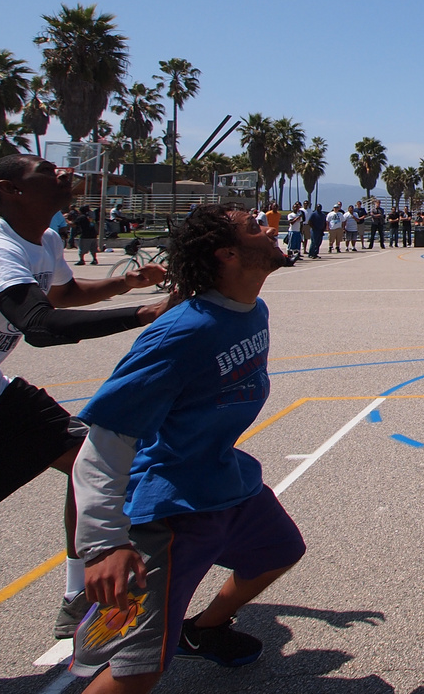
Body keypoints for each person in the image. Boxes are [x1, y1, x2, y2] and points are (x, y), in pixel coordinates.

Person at [69, 204, 305, 688]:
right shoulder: (184, 333)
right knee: (138, 670)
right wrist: (103, 544)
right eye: (255, 227)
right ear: (228, 254)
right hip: (171, 505)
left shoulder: (250, 308)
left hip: (222, 478)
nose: (270, 228)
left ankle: (202, 631)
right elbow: (107, 437)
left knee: (279, 548)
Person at [0, 155, 175, 639]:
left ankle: (79, 594)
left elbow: (59, 295)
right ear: (10, 190)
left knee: (91, 459)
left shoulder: (44, 238)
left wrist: (124, 283)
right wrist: (142, 312)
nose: (64, 172)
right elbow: (40, 326)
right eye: (46, 170)